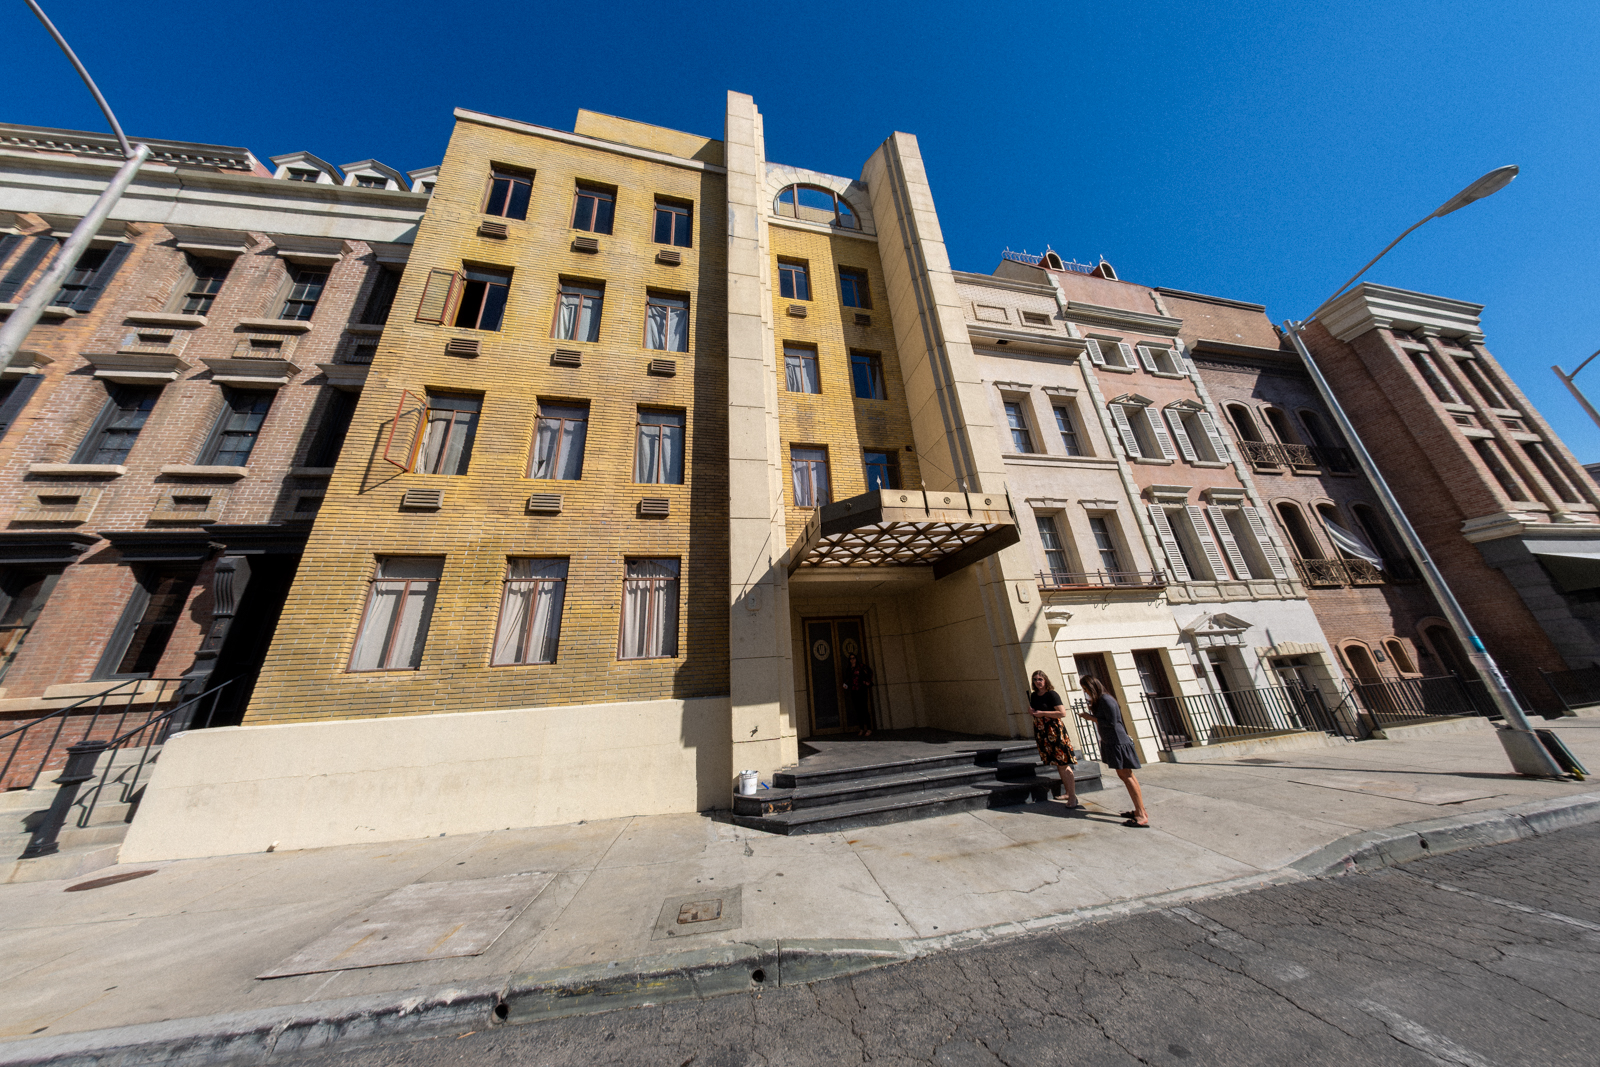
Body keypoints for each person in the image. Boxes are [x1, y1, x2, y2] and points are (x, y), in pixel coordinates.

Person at [1078, 675, 1150, 827]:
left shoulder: (1106, 699)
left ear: (1092, 687)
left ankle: (1141, 815)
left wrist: (1090, 717)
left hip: (1118, 742)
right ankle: (1139, 810)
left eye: (1086, 689)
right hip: (1112, 742)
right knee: (1125, 775)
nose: (1085, 692)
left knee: (1127, 776)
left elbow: (1112, 722)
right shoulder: (1102, 700)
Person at [1026, 670, 1079, 807]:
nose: (1037, 682)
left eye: (1040, 679)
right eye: (1035, 679)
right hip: (1042, 731)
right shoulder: (1034, 695)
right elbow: (1036, 712)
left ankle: (1073, 797)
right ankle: (1068, 792)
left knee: (1063, 763)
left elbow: (1062, 713)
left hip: (1054, 731)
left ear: (1045, 680)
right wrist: (1032, 712)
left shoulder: (1052, 694)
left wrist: (1043, 713)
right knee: (1058, 764)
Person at [841, 652, 875, 737]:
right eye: (851, 658)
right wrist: (846, 684)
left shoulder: (861, 666)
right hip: (854, 690)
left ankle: (869, 728)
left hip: (862, 689)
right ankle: (861, 728)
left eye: (854, 658)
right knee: (858, 710)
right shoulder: (849, 668)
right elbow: (847, 678)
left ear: (856, 659)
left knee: (864, 709)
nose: (852, 660)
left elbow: (870, 672)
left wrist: (867, 682)